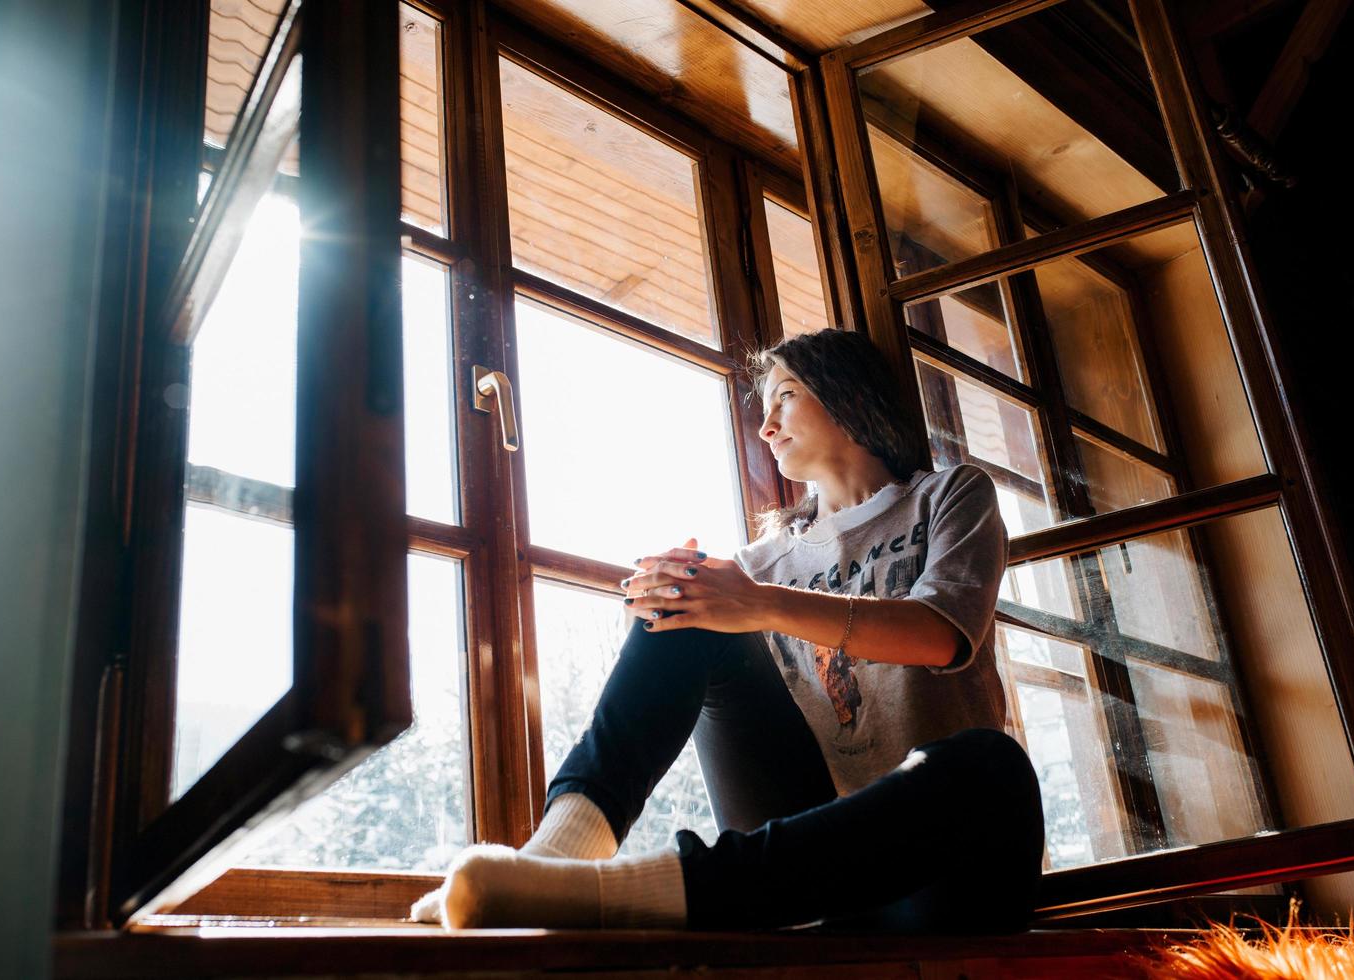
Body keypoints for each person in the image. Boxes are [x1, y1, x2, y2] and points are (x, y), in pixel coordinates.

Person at [412, 329, 1044, 933]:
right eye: (762, 410)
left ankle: (608, 897)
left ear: (850, 392)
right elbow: (674, 663)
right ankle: (554, 860)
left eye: (785, 396)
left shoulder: (948, 495)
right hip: (798, 874)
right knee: (690, 604)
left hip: (939, 868)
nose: (766, 427)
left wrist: (760, 604)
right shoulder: (759, 564)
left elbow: (940, 634)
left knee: (992, 764)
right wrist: (661, 599)